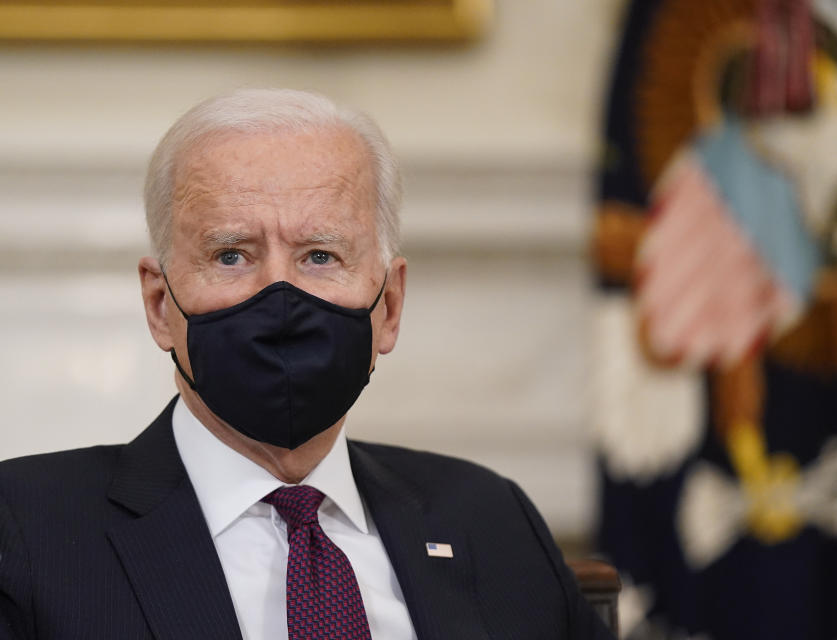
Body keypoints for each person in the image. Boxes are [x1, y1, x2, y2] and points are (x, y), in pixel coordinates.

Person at [0, 89, 612, 640]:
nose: (281, 296)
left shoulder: (489, 519)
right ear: (160, 305)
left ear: (389, 306)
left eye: (320, 255)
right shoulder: (26, 532)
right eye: (232, 254)